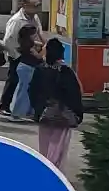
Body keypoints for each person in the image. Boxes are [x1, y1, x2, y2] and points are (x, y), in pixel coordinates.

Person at [32, 38, 84, 172]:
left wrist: (37, 109)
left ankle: (44, 169)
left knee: (44, 145)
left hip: (44, 114)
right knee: (58, 147)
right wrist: (77, 113)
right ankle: (54, 172)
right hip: (62, 115)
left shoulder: (40, 69)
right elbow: (74, 93)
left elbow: (32, 91)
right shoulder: (66, 71)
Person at [0, 0, 45, 117]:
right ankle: (4, 106)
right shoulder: (16, 20)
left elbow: (39, 32)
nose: (36, 9)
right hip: (17, 54)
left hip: (30, 53)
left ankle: (29, 109)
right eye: (34, 6)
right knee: (13, 80)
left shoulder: (34, 17)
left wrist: (42, 45)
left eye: (38, 6)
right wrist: (17, 55)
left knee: (29, 83)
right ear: (24, 5)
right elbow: (8, 41)